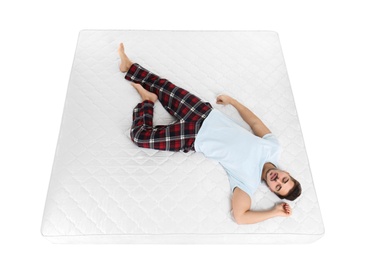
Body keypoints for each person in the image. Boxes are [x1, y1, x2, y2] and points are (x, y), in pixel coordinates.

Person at [118, 43, 302, 224]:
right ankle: (129, 67)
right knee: (164, 86)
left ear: (271, 189)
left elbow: (241, 216)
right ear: (287, 172)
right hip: (205, 114)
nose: (277, 179)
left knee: (140, 137)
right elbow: (254, 122)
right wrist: (232, 102)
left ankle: (147, 101)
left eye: (278, 186)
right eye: (285, 179)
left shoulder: (248, 183)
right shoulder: (273, 148)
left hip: (193, 137)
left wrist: (275, 211)